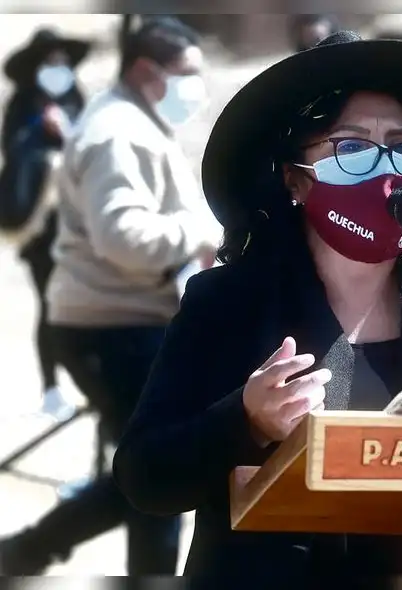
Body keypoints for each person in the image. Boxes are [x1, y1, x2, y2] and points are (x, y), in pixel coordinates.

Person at [111, 30, 402, 586]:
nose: (384, 166)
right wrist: (246, 420)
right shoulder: (230, 300)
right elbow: (146, 477)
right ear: (296, 181)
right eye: (351, 146)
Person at [0, 17, 220, 576]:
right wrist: (201, 236)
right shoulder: (118, 133)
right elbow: (122, 236)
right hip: (114, 326)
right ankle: (32, 549)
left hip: (124, 319)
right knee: (155, 473)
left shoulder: (135, 122)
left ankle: (28, 550)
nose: (196, 85)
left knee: (147, 471)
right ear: (147, 71)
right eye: (187, 74)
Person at [1, 28, 91, 420]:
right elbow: (15, 153)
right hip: (39, 228)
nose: (58, 69)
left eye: (62, 61)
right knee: (48, 300)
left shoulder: (76, 100)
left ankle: (83, 379)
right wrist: (41, 133)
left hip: (79, 222)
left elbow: (91, 150)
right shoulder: (22, 104)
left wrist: (66, 133)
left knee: (80, 303)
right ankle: (51, 386)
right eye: (50, 62)